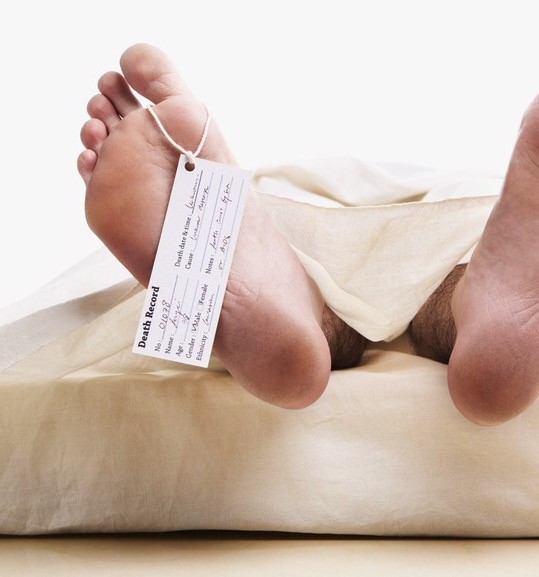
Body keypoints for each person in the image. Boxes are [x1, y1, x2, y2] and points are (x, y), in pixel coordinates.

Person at [78, 43, 539, 426]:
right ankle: (485, 300)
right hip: (461, 223)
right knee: (459, 265)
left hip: (297, 226)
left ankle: (287, 296)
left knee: (298, 260)